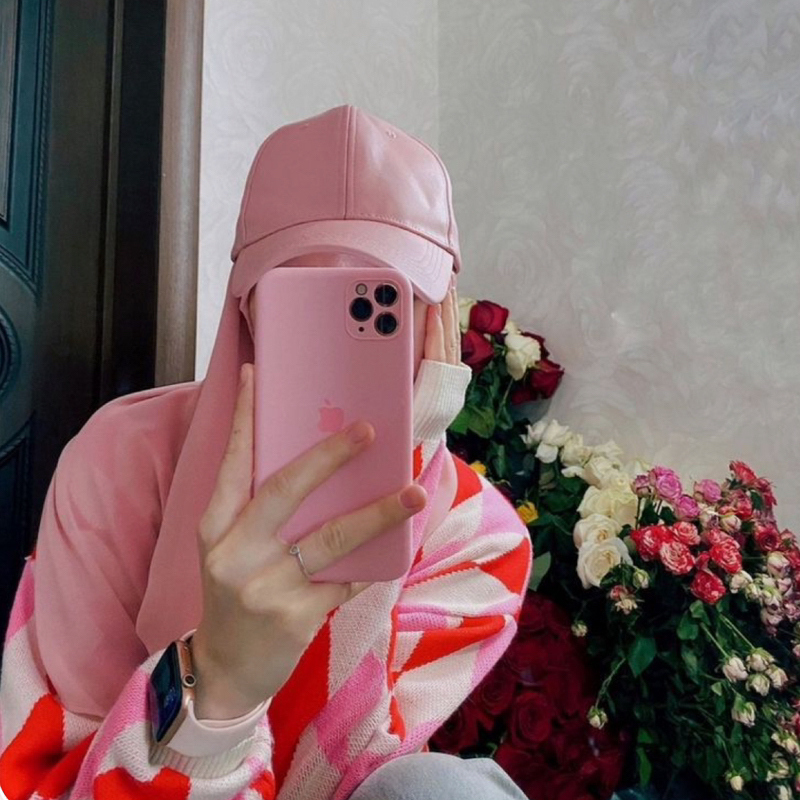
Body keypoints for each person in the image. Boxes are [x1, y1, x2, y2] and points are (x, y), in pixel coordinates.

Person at [0, 105, 533, 800]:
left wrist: (406, 470)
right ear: (246, 307)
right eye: (303, 300)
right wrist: (218, 683)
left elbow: (336, 776)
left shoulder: (479, 536)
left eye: (385, 303)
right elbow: (47, 774)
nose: (339, 354)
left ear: (439, 315)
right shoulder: (120, 459)